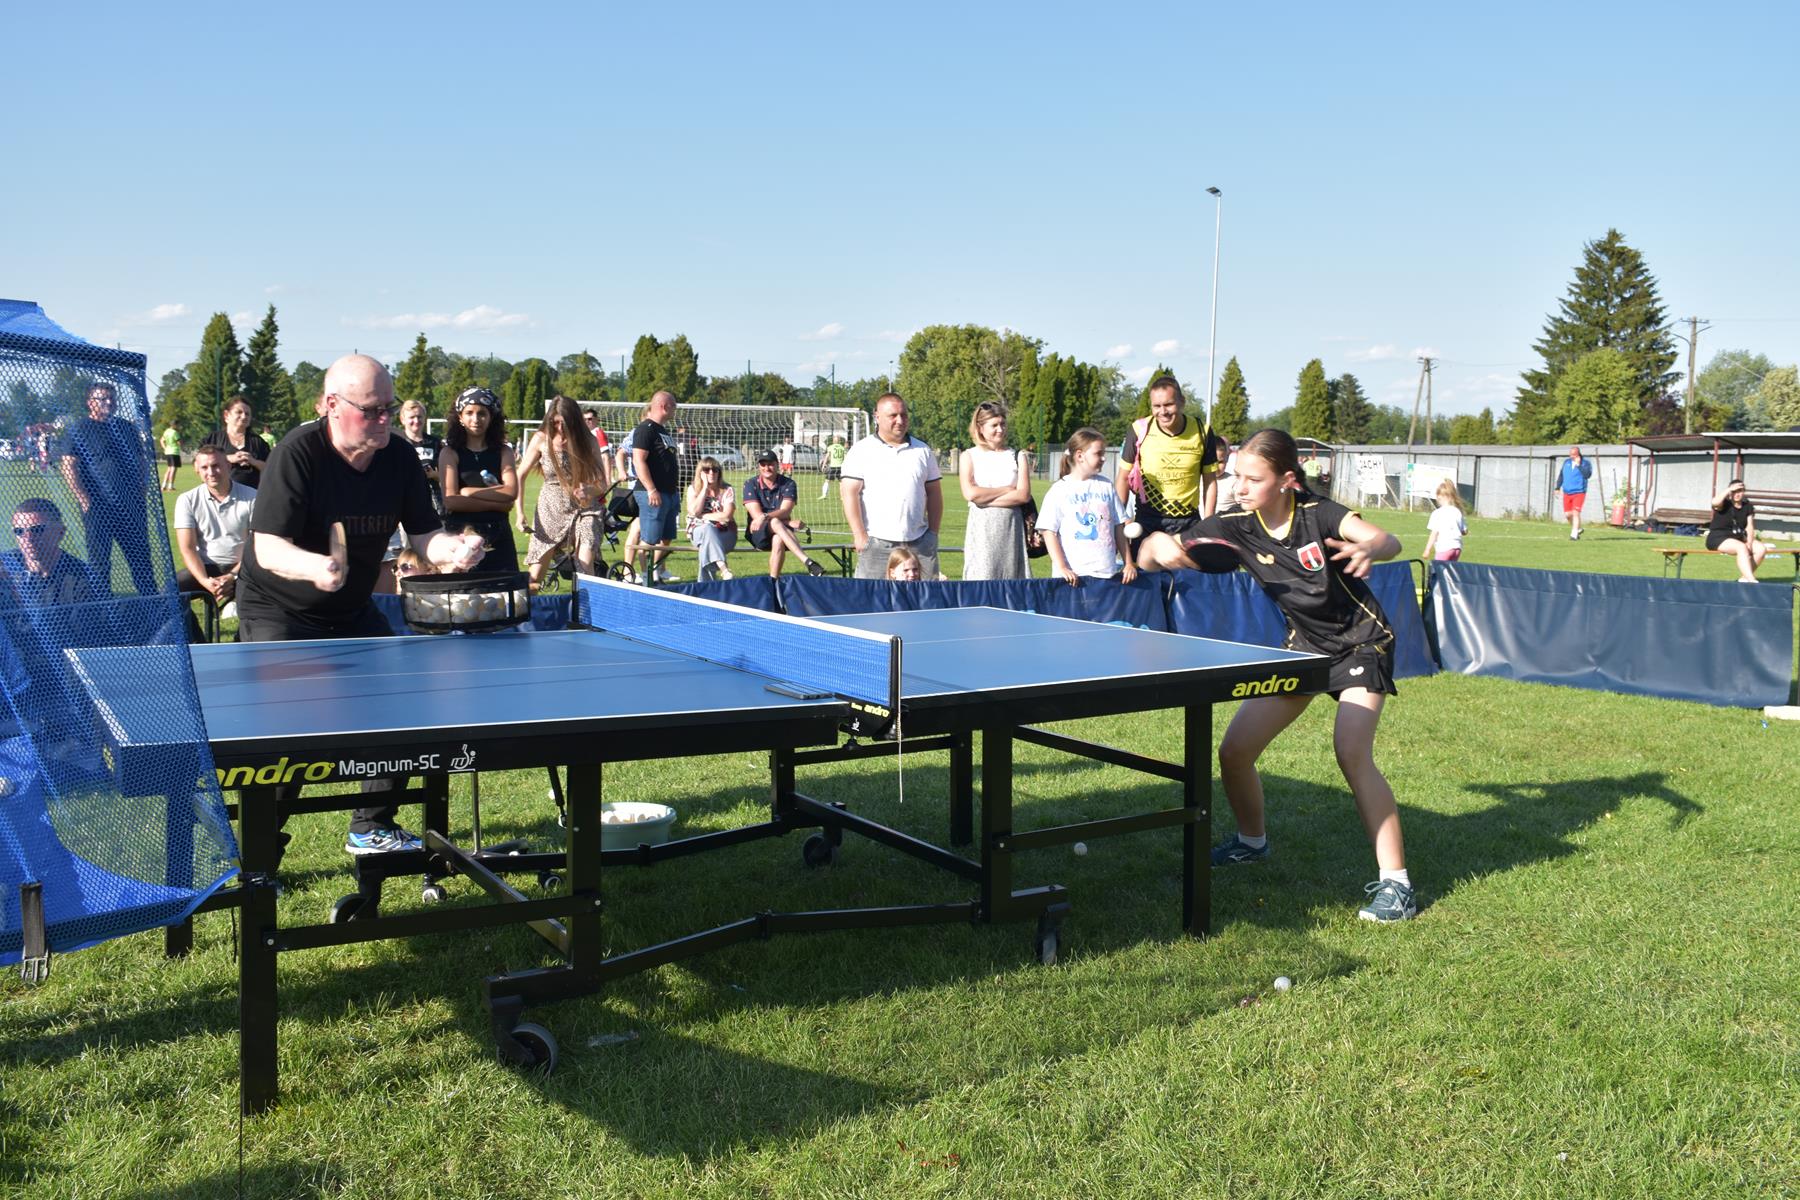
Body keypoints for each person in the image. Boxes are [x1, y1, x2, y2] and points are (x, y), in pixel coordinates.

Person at [235, 354, 485, 855]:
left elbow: (425, 536)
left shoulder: (398, 458)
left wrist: (455, 549)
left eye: (389, 407)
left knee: (402, 702)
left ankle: (370, 825)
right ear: (332, 405)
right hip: (278, 608)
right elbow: (267, 548)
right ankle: (259, 855)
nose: (384, 419)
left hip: (350, 609)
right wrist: (316, 568)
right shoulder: (296, 454)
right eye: (371, 410)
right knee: (291, 729)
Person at [1177, 428, 1417, 923]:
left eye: (1252, 478)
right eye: (1236, 475)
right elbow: (1174, 546)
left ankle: (1398, 886)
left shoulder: (1319, 514)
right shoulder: (1236, 523)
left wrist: (1373, 548)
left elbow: (1385, 539)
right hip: (1304, 649)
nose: (1239, 486)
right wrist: (1155, 548)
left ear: (1287, 480)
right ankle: (1252, 843)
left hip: (1361, 643)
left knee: (1351, 752)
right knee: (1234, 752)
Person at [58, 380, 160, 594]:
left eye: (112, 398)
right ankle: (103, 607)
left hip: (130, 505)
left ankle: (151, 602)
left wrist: (142, 488)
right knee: (100, 561)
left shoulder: (126, 427)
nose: (108, 402)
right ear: (90, 402)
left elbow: (141, 461)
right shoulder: (78, 429)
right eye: (102, 398)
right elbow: (68, 465)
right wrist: (83, 498)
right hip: (98, 506)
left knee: (141, 558)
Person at [1117, 375, 1221, 573]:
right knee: (1145, 585)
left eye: (1168, 404)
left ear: (1182, 402)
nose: (1162, 412)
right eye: (1156, 406)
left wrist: (1209, 524)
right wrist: (1118, 522)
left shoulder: (1202, 431)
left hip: (1188, 522)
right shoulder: (1139, 430)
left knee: (1190, 585)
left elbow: (1210, 482)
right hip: (1148, 521)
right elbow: (1123, 477)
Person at [840, 392, 943, 580]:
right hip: (876, 543)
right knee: (871, 596)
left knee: (926, 596)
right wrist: (860, 535)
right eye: (893, 415)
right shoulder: (861, 450)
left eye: (903, 415)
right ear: (877, 417)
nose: (900, 420)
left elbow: (934, 493)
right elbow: (849, 494)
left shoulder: (923, 450)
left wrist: (933, 533)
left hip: (920, 543)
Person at [515, 395, 611, 590]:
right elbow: (519, 475)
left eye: (564, 423)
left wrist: (590, 490)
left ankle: (587, 607)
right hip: (551, 508)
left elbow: (603, 483)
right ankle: (528, 608)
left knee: (584, 564)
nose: (559, 428)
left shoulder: (588, 441)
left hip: (585, 509)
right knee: (535, 577)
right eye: (555, 423)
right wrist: (520, 513)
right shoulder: (541, 439)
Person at [1037, 427, 1137, 588]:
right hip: (1073, 578)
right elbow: (1049, 532)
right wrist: (1062, 567)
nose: (1103, 458)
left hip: (1107, 575)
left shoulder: (1106, 486)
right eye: (1098, 453)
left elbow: (1119, 526)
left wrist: (1128, 563)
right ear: (1080, 456)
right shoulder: (1059, 490)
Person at [173, 444, 256, 638]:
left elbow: (257, 545)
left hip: (245, 568)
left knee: (266, 596)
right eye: (204, 467)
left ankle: (240, 644)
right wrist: (205, 581)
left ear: (228, 466)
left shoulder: (253, 497)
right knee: (168, 593)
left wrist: (232, 576)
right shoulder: (187, 500)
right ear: (197, 470)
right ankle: (198, 643)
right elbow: (187, 549)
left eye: (216, 465)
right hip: (206, 568)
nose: (211, 472)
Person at [440, 387, 520, 575]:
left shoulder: (504, 452)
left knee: (506, 589)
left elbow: (511, 492)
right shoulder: (450, 452)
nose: (476, 419)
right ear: (460, 417)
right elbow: (451, 501)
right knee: (464, 590)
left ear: (492, 417)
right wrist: (499, 504)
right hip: (462, 535)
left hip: (498, 534)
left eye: (482, 413)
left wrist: (468, 493)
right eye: (469, 413)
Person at [958, 401, 1032, 581]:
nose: (1000, 429)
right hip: (982, 531)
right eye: (994, 425)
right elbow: (970, 494)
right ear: (980, 428)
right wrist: (1006, 489)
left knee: (1011, 582)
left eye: (1003, 424)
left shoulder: (1018, 456)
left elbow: (1023, 495)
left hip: (1011, 530)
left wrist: (983, 498)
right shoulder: (969, 456)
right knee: (981, 581)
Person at [2, 498, 103, 607]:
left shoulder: (81, 579)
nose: (28, 538)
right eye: (19, 531)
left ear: (60, 532)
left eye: (37, 529)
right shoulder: (5, 566)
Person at [743, 450, 827, 578]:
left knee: (778, 539)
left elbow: (785, 511)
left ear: (777, 465)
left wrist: (767, 516)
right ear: (759, 466)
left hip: (781, 533)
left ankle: (774, 581)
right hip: (757, 532)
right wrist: (787, 522)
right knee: (775, 522)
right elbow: (757, 517)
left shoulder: (789, 483)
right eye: (763, 464)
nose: (766, 468)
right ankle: (808, 562)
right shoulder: (750, 484)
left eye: (770, 464)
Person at [628, 391, 682, 584]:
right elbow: (639, 460)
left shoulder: (663, 431)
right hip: (652, 493)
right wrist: (651, 489)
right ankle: (646, 578)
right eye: (674, 406)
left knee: (666, 538)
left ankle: (655, 572)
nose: (675, 410)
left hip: (670, 493)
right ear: (664, 406)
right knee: (649, 540)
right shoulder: (645, 429)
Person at [201, 396, 271, 492]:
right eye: (239, 412)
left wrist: (253, 461)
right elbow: (199, 463)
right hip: (218, 495)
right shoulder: (213, 439)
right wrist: (228, 458)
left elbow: (270, 468)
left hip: (251, 497)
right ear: (226, 415)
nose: (244, 416)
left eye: (247, 414)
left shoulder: (258, 442)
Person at [1706, 479, 1771, 583]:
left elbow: (1749, 526)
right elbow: (1714, 502)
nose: (1737, 494)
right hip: (1718, 537)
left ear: (1744, 492)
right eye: (1734, 491)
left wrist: (1749, 542)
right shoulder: (1724, 503)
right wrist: (1729, 489)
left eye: (1740, 491)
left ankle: (1744, 578)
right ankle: (1751, 579)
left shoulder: (1748, 506)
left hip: (1738, 538)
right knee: (1741, 547)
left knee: (1761, 549)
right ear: (1730, 492)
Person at [685, 455, 738, 581]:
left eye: (715, 470)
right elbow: (694, 511)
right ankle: (724, 569)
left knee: (706, 543)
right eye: (706, 470)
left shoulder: (727, 489)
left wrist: (702, 516)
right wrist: (704, 488)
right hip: (698, 533)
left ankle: (704, 586)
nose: (711, 473)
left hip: (725, 533)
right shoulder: (693, 489)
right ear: (700, 472)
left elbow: (726, 517)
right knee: (707, 529)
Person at [396, 399, 445, 515]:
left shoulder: (435, 443)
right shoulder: (396, 443)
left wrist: (434, 475)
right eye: (412, 417)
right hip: (405, 502)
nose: (416, 421)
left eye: (419, 417)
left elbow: (448, 477)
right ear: (402, 419)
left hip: (434, 502)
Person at [1421, 479, 1466, 562]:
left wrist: (1427, 549)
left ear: (1439, 496)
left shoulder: (1437, 513)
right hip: (1457, 548)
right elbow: (1464, 531)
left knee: (1438, 568)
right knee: (1450, 569)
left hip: (1444, 547)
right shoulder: (1457, 511)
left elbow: (1434, 533)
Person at [1556, 445, 1592, 540]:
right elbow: (1561, 475)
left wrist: (1579, 465)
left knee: (1576, 513)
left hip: (1579, 492)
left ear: (1578, 454)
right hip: (1567, 492)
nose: (1571, 456)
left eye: (1573, 454)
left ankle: (1574, 535)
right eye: (1570, 454)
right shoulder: (1566, 462)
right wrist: (1557, 487)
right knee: (1568, 515)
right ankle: (1578, 529)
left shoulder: (1585, 463)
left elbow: (1587, 475)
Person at [820, 435, 846, 499]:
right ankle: (842, 497)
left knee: (827, 481)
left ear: (833, 441)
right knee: (841, 483)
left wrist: (823, 465)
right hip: (840, 467)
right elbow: (845, 457)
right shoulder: (842, 448)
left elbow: (827, 457)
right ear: (839, 441)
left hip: (833, 467)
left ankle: (824, 495)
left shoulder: (830, 447)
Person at [160, 424, 181, 491]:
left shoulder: (166, 431)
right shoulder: (174, 432)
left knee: (169, 468)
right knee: (173, 469)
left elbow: (162, 441)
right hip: (174, 452)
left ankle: (163, 485)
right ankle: (170, 486)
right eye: (178, 425)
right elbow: (179, 442)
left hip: (168, 451)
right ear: (175, 425)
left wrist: (165, 448)